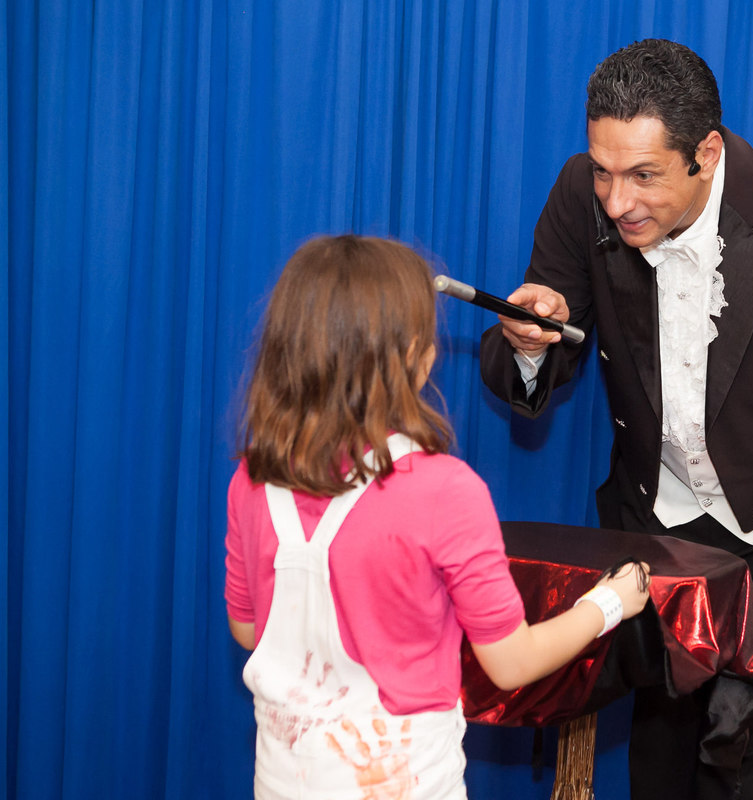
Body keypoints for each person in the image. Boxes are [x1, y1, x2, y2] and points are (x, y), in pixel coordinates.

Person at [479, 40, 753, 799]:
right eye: (603, 170)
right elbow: (531, 366)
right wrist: (530, 340)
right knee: (657, 767)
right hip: (651, 531)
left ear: (706, 152)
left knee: (748, 768)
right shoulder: (581, 194)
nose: (616, 201)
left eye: (643, 176)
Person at [224, 234, 650, 800]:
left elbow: (249, 629)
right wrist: (611, 602)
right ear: (414, 358)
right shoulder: (445, 490)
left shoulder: (252, 476)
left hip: (281, 781)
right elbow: (511, 664)